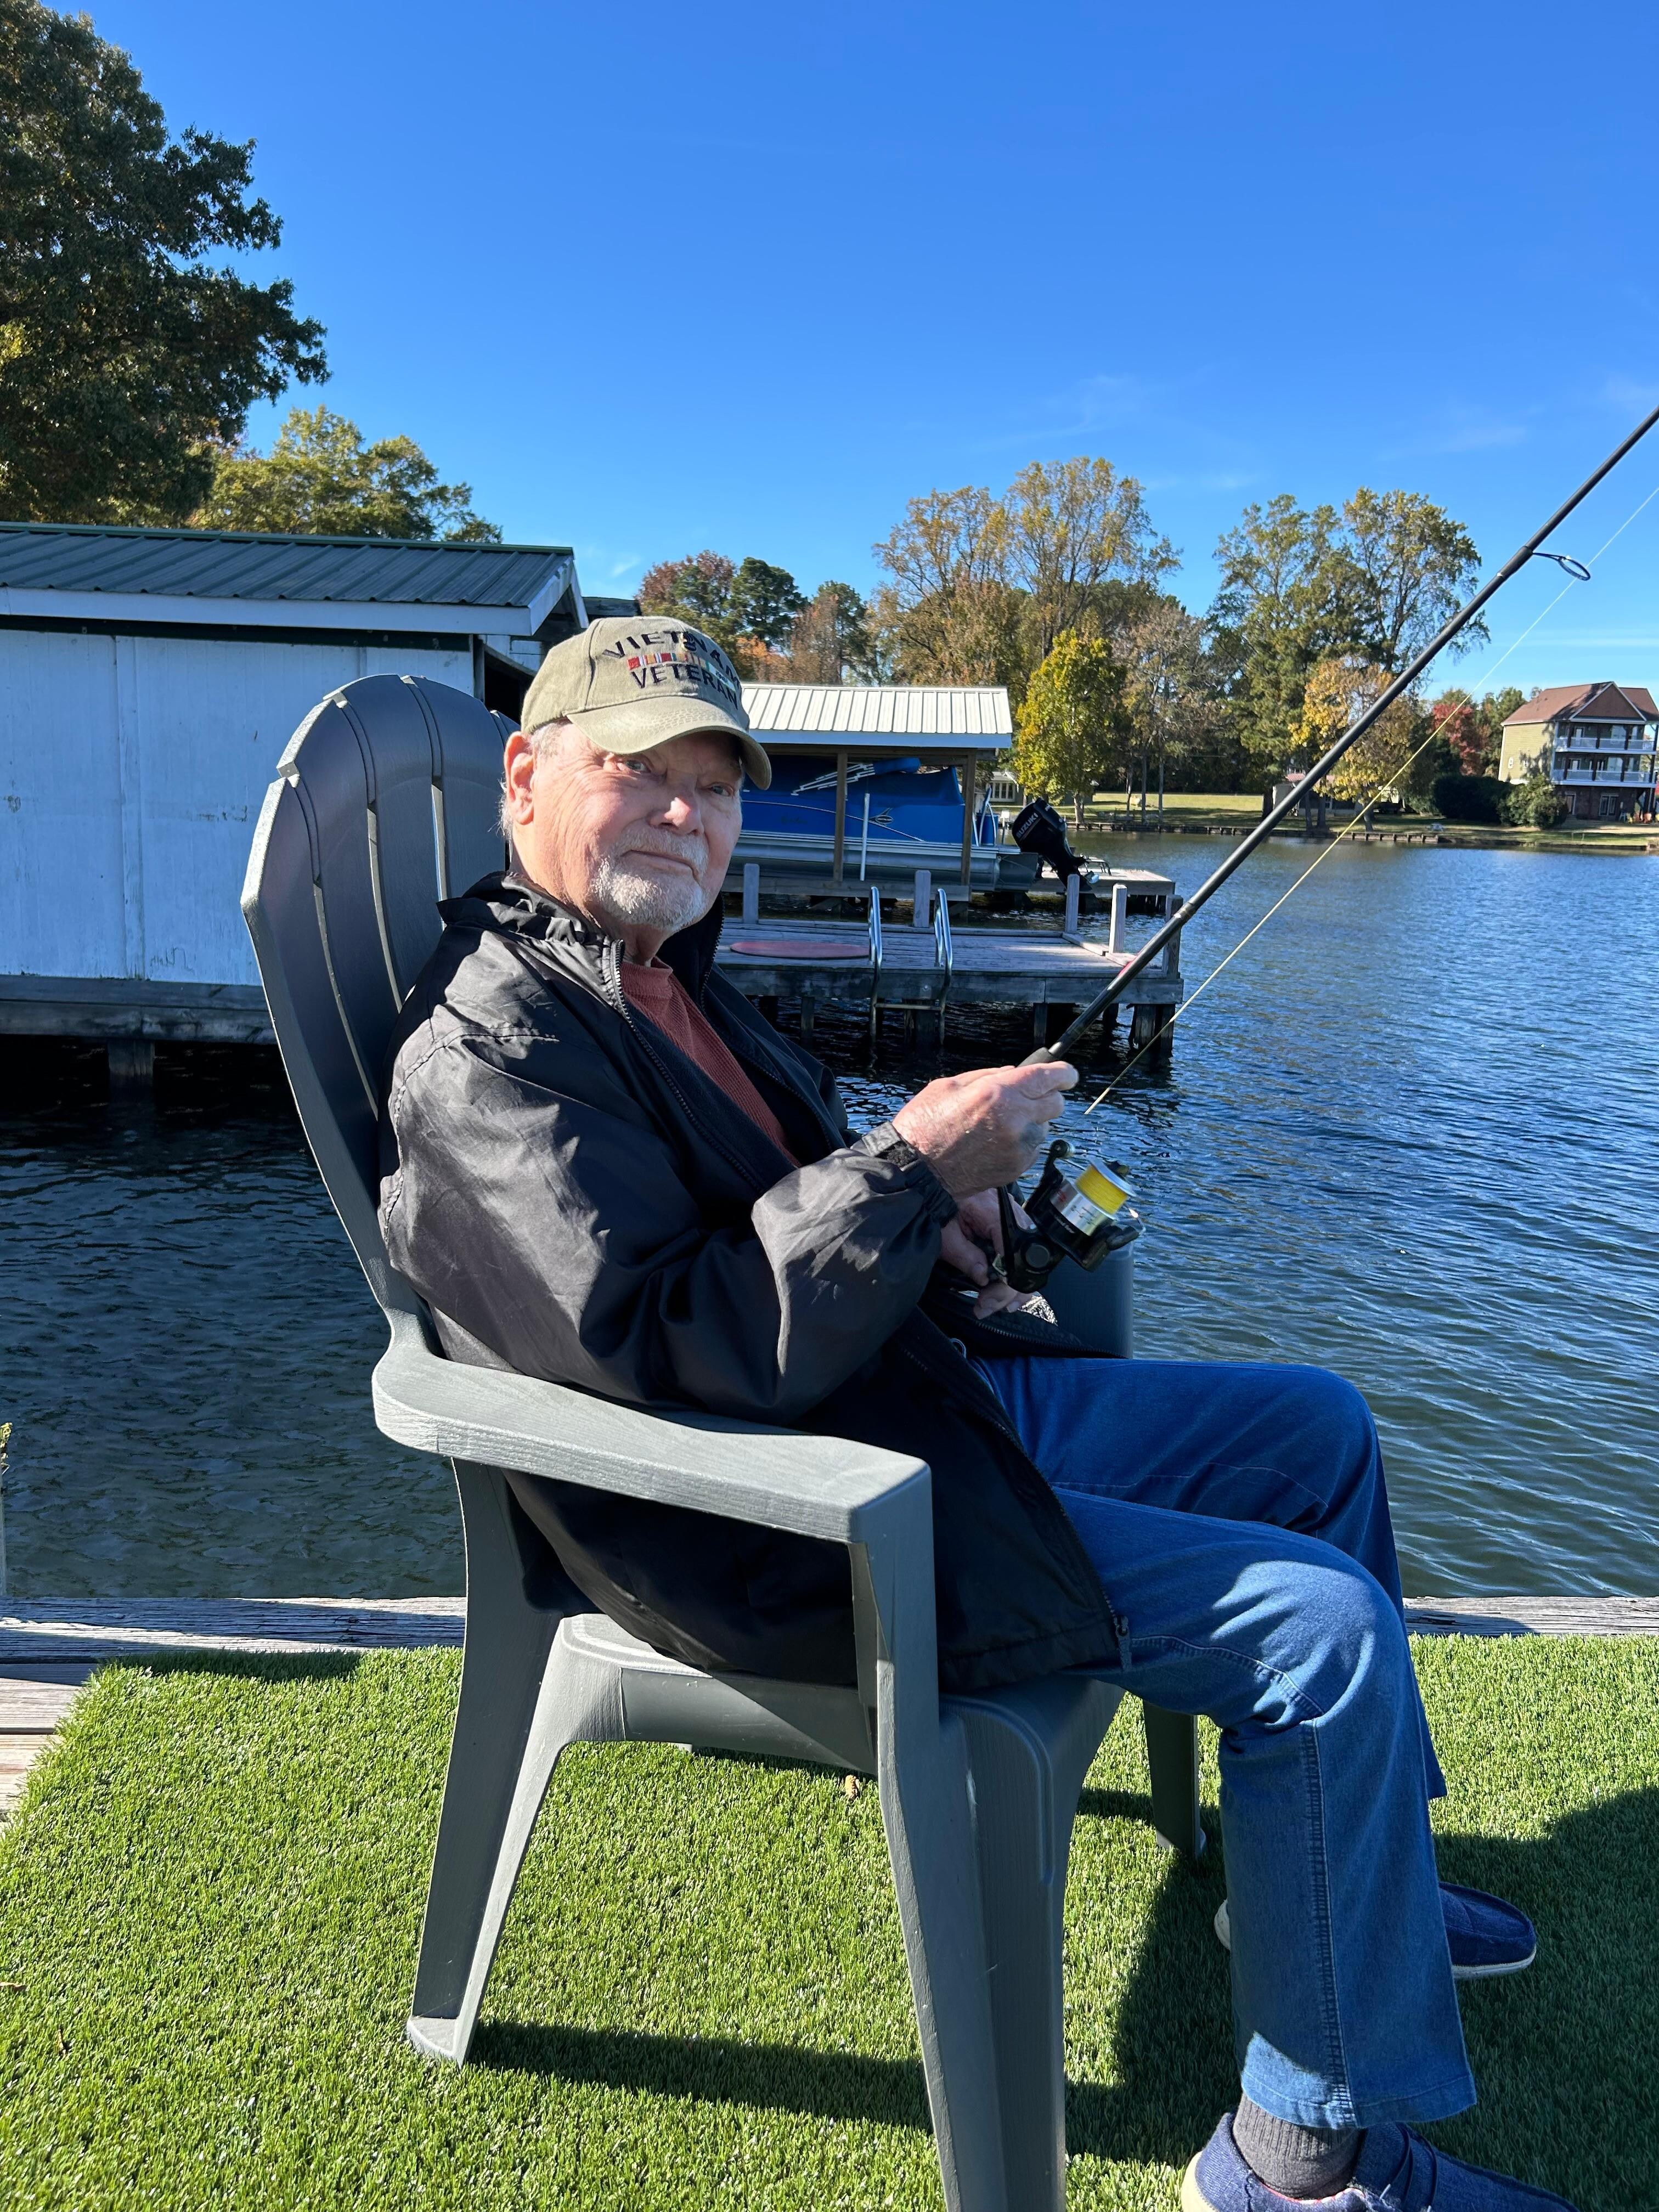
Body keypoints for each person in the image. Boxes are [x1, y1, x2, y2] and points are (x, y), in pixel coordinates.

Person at [377, 617, 1573, 2212]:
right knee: (1322, 1632)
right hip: (791, 1528)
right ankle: (1305, 2168)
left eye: (715, 785)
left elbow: (769, 1223)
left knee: (1315, 1426)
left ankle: (1366, 1899)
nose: (684, 814)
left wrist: (934, 1232)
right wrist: (912, 1166)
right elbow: (672, 1341)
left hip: (894, 1407)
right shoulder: (490, 1057)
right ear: (527, 776)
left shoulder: (663, 983)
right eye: (636, 771)